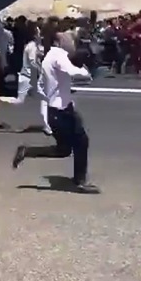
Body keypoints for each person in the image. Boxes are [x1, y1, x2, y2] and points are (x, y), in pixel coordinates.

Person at [11, 27, 100, 194]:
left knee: (63, 150)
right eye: (69, 39)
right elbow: (72, 71)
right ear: (59, 42)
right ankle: (80, 181)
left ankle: (27, 151)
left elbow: (57, 79)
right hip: (62, 111)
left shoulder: (49, 56)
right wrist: (85, 71)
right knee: (81, 142)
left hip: (57, 111)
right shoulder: (58, 55)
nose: (72, 42)